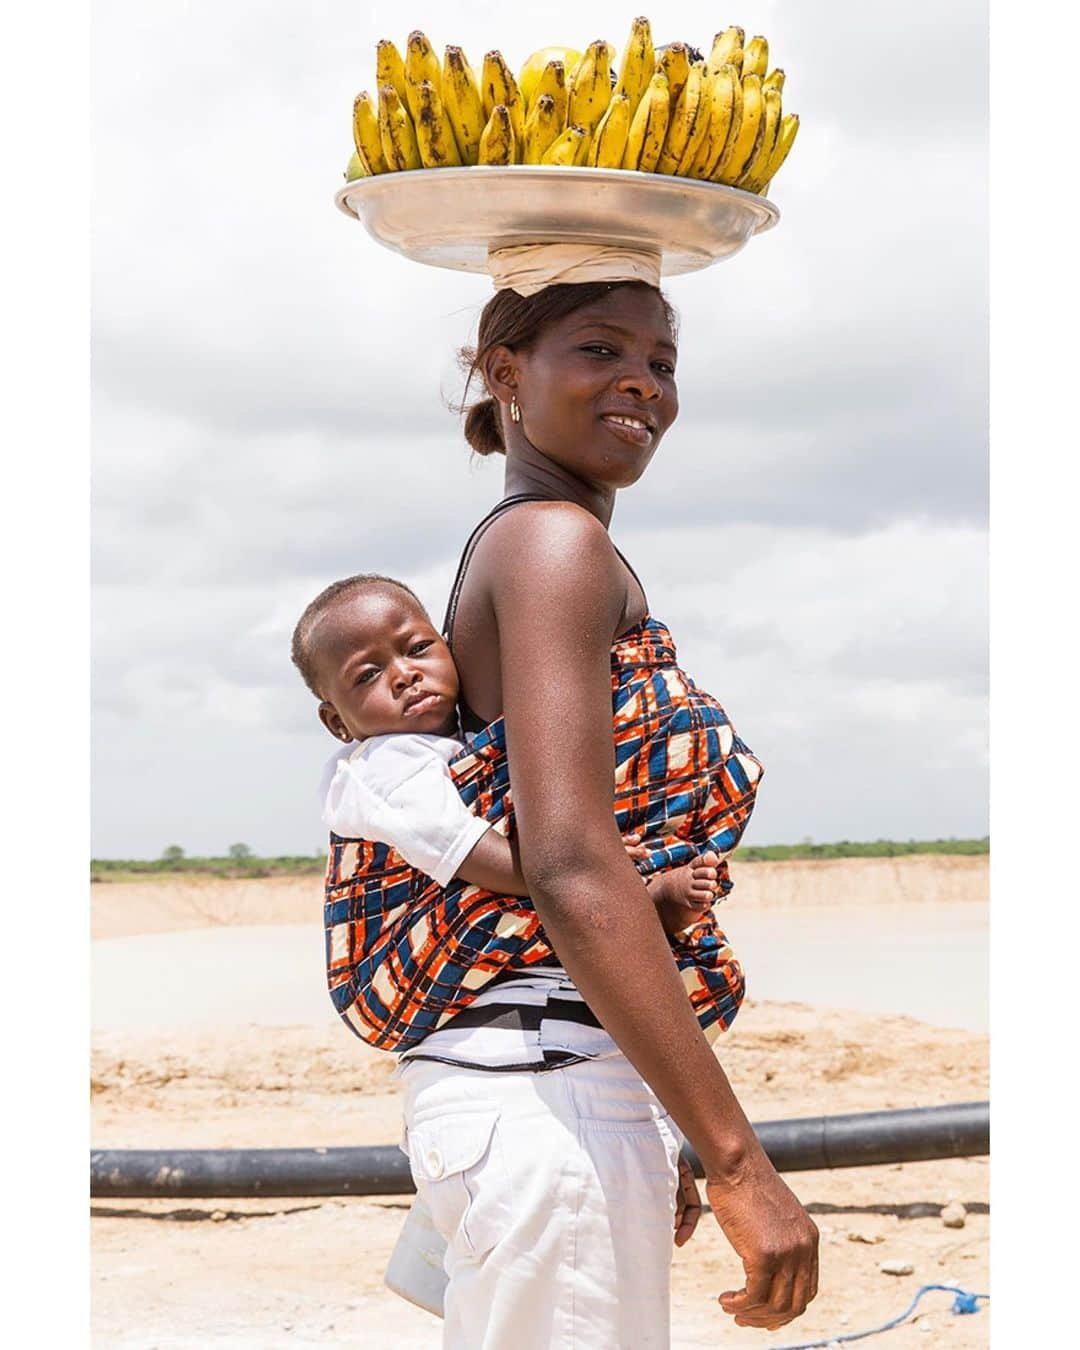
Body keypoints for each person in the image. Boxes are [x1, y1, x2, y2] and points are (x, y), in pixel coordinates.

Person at [324, 257, 819, 1347]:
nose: (643, 383)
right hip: (541, 1098)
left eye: (661, 361)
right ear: (506, 373)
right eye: (600, 349)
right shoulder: (554, 541)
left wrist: (646, 1120)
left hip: (541, 1096)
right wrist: (738, 1163)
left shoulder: (533, 541)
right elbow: (570, 863)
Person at [290, 572, 723, 932]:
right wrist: (584, 866)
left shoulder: (460, 740)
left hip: (496, 877)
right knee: (543, 900)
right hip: (421, 914)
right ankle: (645, 904)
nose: (405, 674)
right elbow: (461, 848)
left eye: (418, 649)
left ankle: (645, 904)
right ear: (337, 723)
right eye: (368, 675)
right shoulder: (383, 764)